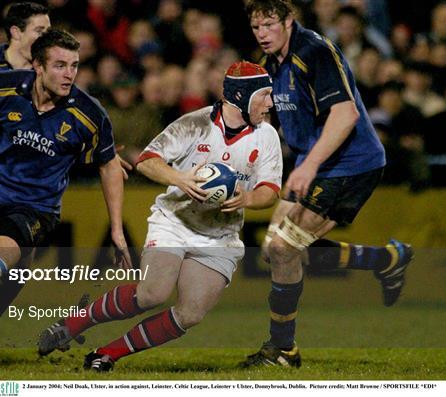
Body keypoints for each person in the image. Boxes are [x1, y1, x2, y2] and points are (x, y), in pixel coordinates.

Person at [37, 60, 283, 372]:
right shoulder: (194, 124)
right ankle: (71, 324)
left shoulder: (267, 135)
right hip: (175, 222)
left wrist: (247, 197)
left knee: (190, 314)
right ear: (241, 97)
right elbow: (147, 160)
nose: (271, 102)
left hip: (221, 236)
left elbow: (270, 191)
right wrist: (180, 179)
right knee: (152, 293)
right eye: (264, 94)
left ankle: (107, 353)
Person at [241, 0, 413, 368]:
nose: (262, 34)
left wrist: (308, 167)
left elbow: (346, 113)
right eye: (257, 27)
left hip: (350, 164)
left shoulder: (314, 51)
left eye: (269, 25)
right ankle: (387, 259)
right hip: (315, 162)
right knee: (274, 249)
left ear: (289, 21)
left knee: (286, 248)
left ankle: (283, 350)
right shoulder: (272, 60)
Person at [0, 29, 131, 363]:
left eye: (74, 65)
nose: (69, 73)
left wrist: (116, 229)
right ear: (37, 67)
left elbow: (110, 165)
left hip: (33, 209)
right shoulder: (3, 86)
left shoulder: (89, 113)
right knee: (15, 269)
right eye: (60, 65)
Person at [0, 2, 50, 363]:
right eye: (40, 31)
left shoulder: (48, 75)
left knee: (18, 259)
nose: (48, 38)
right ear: (16, 32)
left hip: (25, 190)